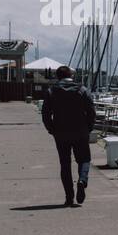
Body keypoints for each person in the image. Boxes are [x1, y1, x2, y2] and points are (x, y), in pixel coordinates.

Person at [42, 66, 96, 207]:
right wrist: (88, 128)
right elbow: (91, 111)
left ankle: (69, 197)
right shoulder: (82, 90)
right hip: (80, 131)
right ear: (71, 75)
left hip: (60, 132)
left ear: (57, 76)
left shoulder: (51, 91)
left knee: (65, 164)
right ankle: (82, 181)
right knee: (84, 159)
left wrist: (51, 129)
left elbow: (46, 114)